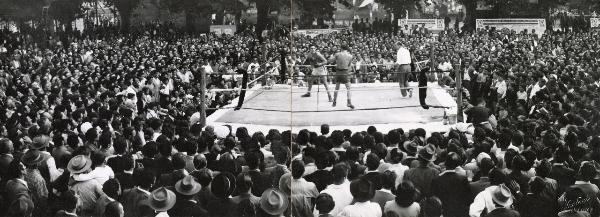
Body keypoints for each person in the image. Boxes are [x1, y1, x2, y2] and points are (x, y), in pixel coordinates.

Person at [328, 44, 355, 109]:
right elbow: (349, 65)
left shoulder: (337, 54)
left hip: (338, 71)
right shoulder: (350, 56)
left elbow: (330, 61)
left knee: (337, 88)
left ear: (341, 48)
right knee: (348, 88)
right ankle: (349, 102)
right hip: (345, 71)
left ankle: (334, 101)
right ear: (347, 49)